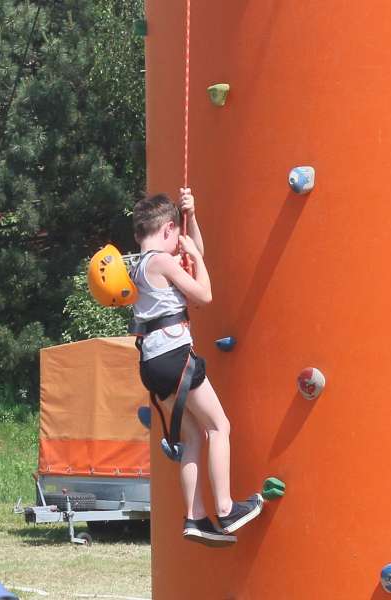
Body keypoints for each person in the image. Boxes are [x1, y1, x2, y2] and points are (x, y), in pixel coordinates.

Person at [130, 188, 262, 546]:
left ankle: (195, 516)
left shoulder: (141, 265)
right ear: (168, 229)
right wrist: (194, 257)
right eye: (178, 234)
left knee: (192, 437)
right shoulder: (162, 261)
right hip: (175, 357)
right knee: (219, 427)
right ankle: (226, 508)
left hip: (152, 363)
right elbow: (204, 294)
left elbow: (193, 253)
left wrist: (193, 218)